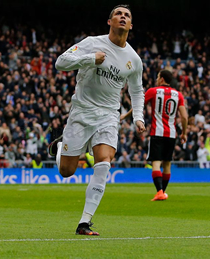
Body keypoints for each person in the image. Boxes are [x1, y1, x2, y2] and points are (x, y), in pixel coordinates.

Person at [48, 4, 145, 236]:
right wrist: (90, 59)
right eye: (118, 14)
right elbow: (60, 63)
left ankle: (84, 222)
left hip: (109, 114)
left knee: (104, 162)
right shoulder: (93, 42)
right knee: (67, 171)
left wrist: (138, 117)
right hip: (81, 111)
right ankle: (63, 147)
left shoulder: (134, 59)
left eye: (127, 15)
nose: (123, 17)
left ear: (131, 25)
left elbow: (137, 91)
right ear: (109, 21)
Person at [122, 70, 188, 201]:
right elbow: (184, 117)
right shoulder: (178, 95)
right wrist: (184, 133)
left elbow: (138, 106)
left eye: (158, 76)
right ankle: (162, 192)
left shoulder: (153, 91)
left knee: (156, 163)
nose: (157, 79)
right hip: (171, 134)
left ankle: (159, 192)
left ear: (162, 79)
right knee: (167, 164)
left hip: (157, 132)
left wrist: (125, 115)